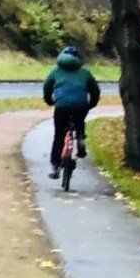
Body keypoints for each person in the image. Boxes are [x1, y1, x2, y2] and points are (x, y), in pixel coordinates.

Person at [42, 45, 100, 178]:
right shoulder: (85, 72)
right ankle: (80, 139)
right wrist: (91, 104)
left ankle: (56, 167)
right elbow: (95, 91)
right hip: (80, 105)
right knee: (79, 121)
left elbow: (47, 87)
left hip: (61, 106)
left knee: (58, 135)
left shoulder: (55, 71)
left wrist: (50, 101)